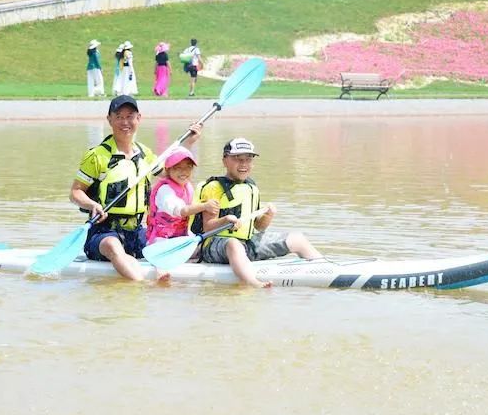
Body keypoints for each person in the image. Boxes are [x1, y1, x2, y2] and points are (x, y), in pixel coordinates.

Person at [70, 95, 204, 281]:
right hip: (104, 231)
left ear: (138, 119)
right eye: (119, 117)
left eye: (130, 116)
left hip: (137, 231)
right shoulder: (96, 156)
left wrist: (189, 143)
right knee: (113, 246)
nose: (125, 122)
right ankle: (139, 285)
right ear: (109, 119)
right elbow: (76, 192)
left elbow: (174, 173)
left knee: (194, 249)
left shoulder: (145, 154)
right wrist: (92, 205)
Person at [197, 138, 323, 288]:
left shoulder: (251, 187)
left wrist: (268, 216)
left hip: (246, 244)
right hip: (215, 246)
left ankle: (324, 269)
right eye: (238, 159)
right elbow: (207, 227)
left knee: (297, 238)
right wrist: (226, 220)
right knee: (234, 244)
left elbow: (259, 227)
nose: (244, 164)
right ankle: (254, 283)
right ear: (225, 161)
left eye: (248, 160)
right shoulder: (214, 187)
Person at [144, 146, 219, 281]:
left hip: (181, 236)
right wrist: (205, 206)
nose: (184, 172)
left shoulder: (188, 187)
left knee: (206, 245)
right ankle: (161, 272)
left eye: (188, 167)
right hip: (161, 238)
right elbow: (182, 211)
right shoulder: (165, 190)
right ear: (168, 170)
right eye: (178, 168)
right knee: (161, 251)